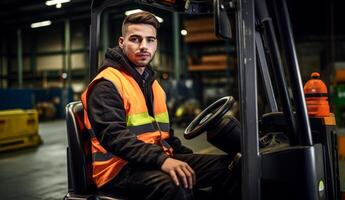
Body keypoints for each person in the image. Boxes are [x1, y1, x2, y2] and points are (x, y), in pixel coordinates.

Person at [81, 11, 240, 200]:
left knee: (233, 167)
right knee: (176, 187)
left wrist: (187, 158)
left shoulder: (152, 83)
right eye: (135, 39)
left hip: (150, 160)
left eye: (150, 40)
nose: (143, 46)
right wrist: (162, 160)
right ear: (122, 42)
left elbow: (164, 135)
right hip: (118, 170)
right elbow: (114, 137)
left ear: (156, 44)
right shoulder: (107, 84)